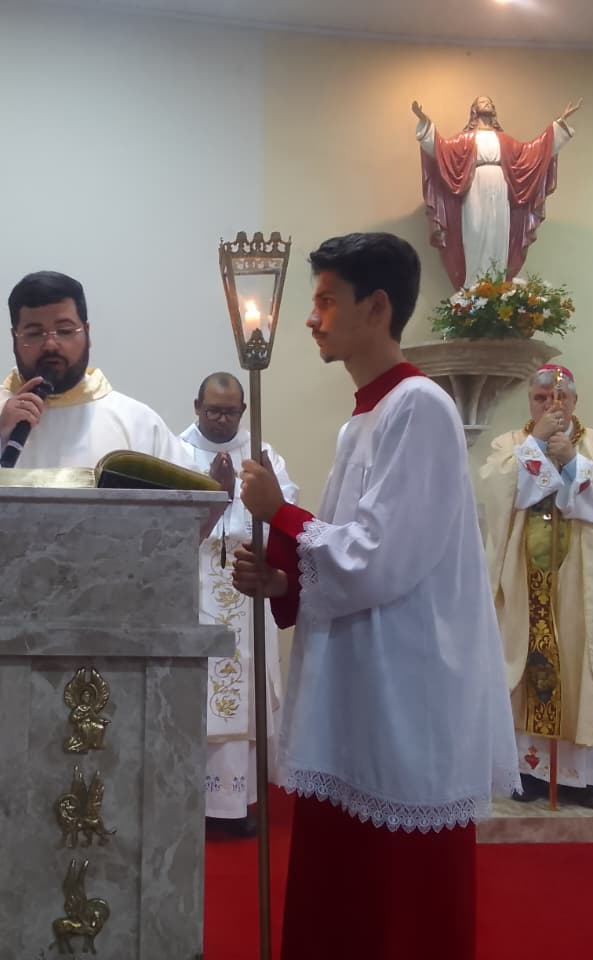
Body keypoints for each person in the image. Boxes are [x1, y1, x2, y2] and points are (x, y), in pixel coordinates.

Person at [231, 232, 517, 958]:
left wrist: (280, 516)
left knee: (398, 905)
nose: (312, 317)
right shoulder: (363, 418)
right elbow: (354, 549)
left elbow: (378, 558)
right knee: (346, 892)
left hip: (404, 691)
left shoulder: (420, 407)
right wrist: (284, 580)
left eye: (327, 300)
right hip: (362, 684)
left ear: (377, 307)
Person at [0, 270, 194, 960]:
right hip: (3, 660)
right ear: (14, 337)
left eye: (64, 329)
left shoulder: (137, 424)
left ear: (87, 332)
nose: (51, 345)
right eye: (34, 331)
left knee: (103, 808)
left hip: (115, 655)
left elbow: (192, 518)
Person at [478, 365, 593, 809]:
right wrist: (535, 447)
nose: (552, 405)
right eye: (541, 398)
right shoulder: (510, 443)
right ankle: (527, 773)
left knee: (581, 666)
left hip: (581, 584)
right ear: (531, 401)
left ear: (574, 401)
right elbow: (495, 489)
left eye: (561, 397)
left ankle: (578, 779)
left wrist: (573, 463)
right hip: (524, 582)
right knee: (522, 663)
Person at [179, 371, 298, 837]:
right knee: (196, 694)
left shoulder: (263, 456)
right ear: (197, 407)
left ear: (243, 411)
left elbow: (286, 514)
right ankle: (191, 802)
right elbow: (163, 523)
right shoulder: (173, 453)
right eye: (213, 410)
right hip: (196, 590)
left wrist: (266, 497)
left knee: (246, 695)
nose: (221, 419)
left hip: (247, 590)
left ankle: (238, 803)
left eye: (230, 412)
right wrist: (214, 496)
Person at [414, 95, 580, 289]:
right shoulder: (465, 140)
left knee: (498, 234)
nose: (488, 103)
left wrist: (559, 125)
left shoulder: (505, 141)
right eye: (482, 101)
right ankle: (473, 286)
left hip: (501, 189)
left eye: (490, 102)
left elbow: (534, 154)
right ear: (474, 109)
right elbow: (441, 150)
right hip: (474, 188)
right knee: (475, 231)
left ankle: (496, 285)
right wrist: (425, 123)